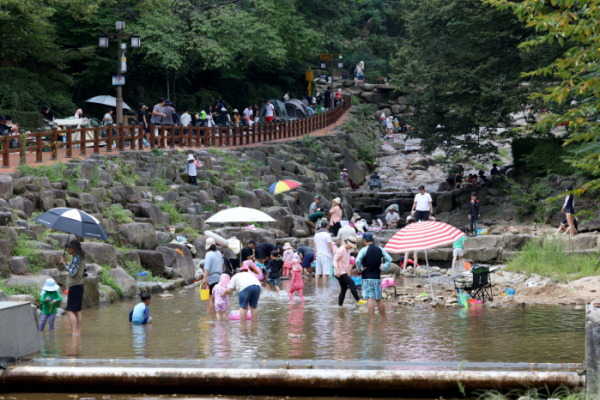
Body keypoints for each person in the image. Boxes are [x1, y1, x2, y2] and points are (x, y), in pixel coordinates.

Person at [355, 232, 392, 322]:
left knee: (369, 298)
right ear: (373, 239)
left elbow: (357, 261)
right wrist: (383, 268)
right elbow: (389, 259)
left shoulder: (363, 250)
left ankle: (372, 320)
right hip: (376, 277)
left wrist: (360, 269)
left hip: (366, 277)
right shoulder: (380, 249)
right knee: (378, 299)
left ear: (364, 240)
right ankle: (383, 319)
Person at [60, 240, 85, 336]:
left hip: (74, 287)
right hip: (78, 286)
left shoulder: (76, 258)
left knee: (70, 311)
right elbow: (84, 272)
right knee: (76, 311)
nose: (67, 249)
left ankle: (74, 333)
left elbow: (73, 272)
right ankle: (77, 333)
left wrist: (64, 263)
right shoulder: (80, 258)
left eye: (69, 247)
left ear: (73, 249)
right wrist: (67, 263)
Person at [334, 236, 366, 306]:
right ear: (347, 243)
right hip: (339, 272)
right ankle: (358, 300)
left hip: (343, 271)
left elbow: (347, 262)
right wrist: (337, 270)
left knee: (344, 289)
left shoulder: (348, 250)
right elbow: (334, 260)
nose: (351, 247)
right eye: (351, 246)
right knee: (351, 282)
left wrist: (348, 272)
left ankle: (340, 306)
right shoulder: (341, 250)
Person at [201, 238, 225, 315]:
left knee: (210, 298)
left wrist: (204, 279)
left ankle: (209, 316)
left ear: (208, 247)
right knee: (216, 298)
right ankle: (216, 314)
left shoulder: (208, 254)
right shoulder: (219, 253)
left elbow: (207, 269)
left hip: (211, 279)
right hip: (219, 279)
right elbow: (223, 265)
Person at [314, 220, 334, 286]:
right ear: (327, 226)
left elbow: (315, 245)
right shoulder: (327, 234)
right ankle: (325, 286)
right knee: (325, 272)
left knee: (317, 272)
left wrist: (315, 253)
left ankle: (316, 286)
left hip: (318, 255)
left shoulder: (316, 234)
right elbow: (329, 245)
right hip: (326, 255)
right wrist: (332, 254)